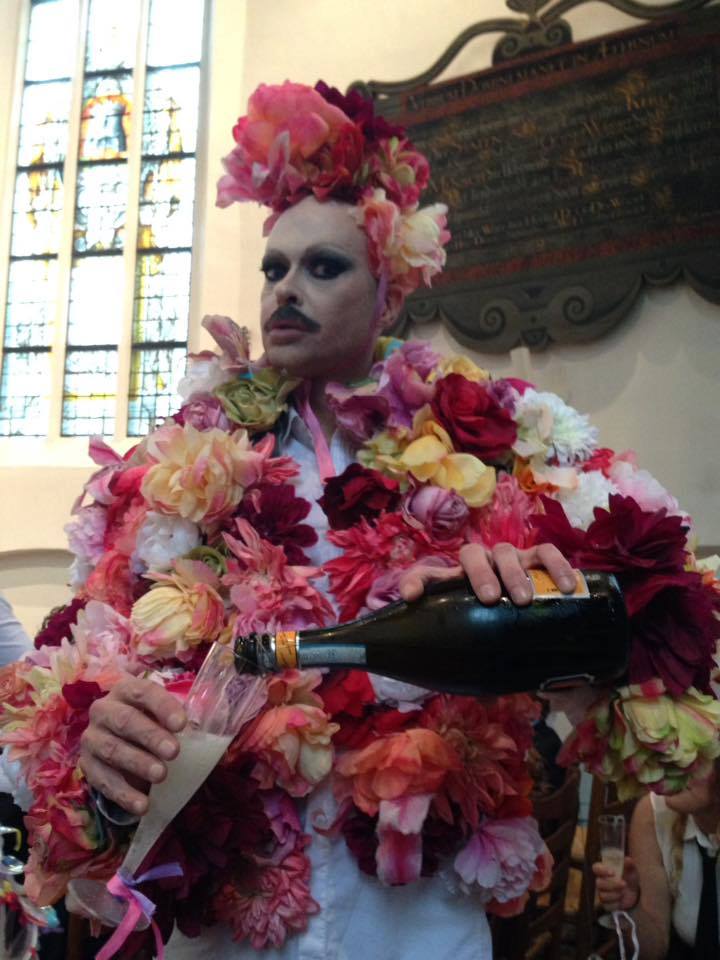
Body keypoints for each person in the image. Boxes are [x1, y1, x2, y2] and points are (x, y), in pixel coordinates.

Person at [77, 81, 576, 959]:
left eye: (324, 267)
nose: (286, 290)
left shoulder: (486, 449)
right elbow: (97, 675)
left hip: (411, 923)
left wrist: (541, 593)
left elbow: (609, 659)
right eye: (273, 269)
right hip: (227, 925)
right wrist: (100, 739)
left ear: (389, 294)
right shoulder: (182, 465)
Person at [593, 769, 720, 958]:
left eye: (697, 757)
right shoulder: (653, 813)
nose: (673, 766)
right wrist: (633, 908)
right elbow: (652, 951)